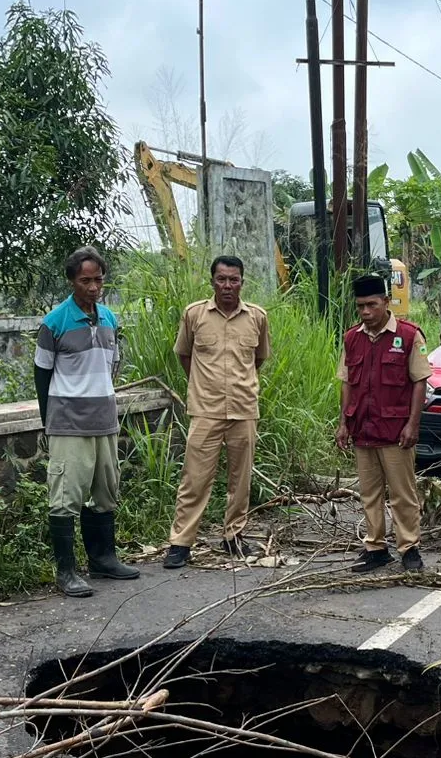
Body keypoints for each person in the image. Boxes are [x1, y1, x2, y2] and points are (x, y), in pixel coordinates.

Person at [34, 246, 140, 598]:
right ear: (71, 281)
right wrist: (48, 421)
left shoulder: (109, 319)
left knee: (106, 492)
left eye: (98, 280)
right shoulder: (54, 323)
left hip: (104, 419)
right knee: (65, 495)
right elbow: (42, 374)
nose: (93, 287)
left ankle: (103, 559)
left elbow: (111, 368)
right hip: (69, 422)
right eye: (85, 281)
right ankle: (66, 571)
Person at [163, 256, 270, 568]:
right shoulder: (195, 314)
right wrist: (201, 384)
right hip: (205, 410)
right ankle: (181, 543)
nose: (227, 285)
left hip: (243, 409)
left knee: (241, 480)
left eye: (233, 280)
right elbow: (184, 355)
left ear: (242, 283)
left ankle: (233, 536)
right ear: (212, 281)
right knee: (194, 478)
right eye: (221, 279)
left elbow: (258, 359)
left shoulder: (257, 317)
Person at [335, 272, 429, 573]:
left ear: (386, 302)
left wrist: (413, 424)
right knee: (369, 493)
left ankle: (409, 548)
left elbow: (420, 381)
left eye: (371, 305)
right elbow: (347, 383)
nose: (365, 312)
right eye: (360, 306)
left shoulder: (409, 336)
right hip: (362, 427)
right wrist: (343, 423)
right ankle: (375, 548)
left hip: (395, 430)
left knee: (403, 493)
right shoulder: (352, 338)